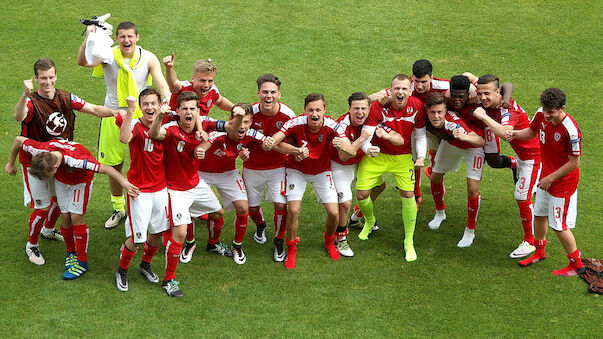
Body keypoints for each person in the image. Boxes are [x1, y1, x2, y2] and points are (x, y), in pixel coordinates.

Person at [14, 58, 125, 265]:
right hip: (35, 161)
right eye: (43, 78)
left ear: (55, 76)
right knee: (42, 207)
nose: (47, 82)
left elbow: (92, 109)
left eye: (51, 77)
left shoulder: (66, 97)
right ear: (36, 78)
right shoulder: (31, 101)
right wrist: (24, 95)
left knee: (59, 200)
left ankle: (48, 230)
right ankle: (32, 245)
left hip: (61, 160)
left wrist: (115, 112)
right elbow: (19, 117)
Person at [78, 21, 170, 229]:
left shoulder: (148, 57)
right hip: (113, 114)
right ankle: (119, 208)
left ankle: (151, 204)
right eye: (122, 36)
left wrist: (165, 102)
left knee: (148, 161)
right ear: (117, 38)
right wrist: (90, 37)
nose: (126, 40)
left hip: (142, 118)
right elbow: (84, 62)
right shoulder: (108, 54)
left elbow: (162, 86)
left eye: (130, 36)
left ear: (137, 37)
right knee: (113, 163)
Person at [6, 136, 139, 280]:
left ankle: (82, 262)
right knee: (65, 216)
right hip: (63, 181)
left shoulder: (77, 160)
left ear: (55, 167)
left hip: (81, 182)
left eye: (47, 176)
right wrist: (10, 162)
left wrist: (125, 184)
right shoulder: (42, 149)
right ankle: (71, 253)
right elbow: (19, 140)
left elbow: (106, 169)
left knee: (76, 217)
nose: (45, 180)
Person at [149, 91, 236, 297]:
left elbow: (230, 128)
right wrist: (160, 116)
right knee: (180, 232)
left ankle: (213, 245)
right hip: (175, 190)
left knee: (218, 213)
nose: (188, 112)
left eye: (192, 109)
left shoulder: (204, 124)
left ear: (198, 111)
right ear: (178, 111)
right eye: (185, 109)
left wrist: (238, 114)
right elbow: (154, 134)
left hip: (195, 185)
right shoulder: (170, 128)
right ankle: (169, 279)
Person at [263, 93, 356, 269]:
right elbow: (274, 143)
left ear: (324, 110)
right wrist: (295, 150)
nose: (314, 114)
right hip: (296, 170)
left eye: (318, 110)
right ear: (305, 110)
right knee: (293, 210)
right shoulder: (295, 123)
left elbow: (350, 151)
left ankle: (329, 241)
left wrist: (341, 145)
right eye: (311, 110)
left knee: (334, 213)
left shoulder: (332, 126)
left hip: (321, 171)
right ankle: (291, 249)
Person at [508, 88, 585, 277]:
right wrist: (516, 134)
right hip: (546, 177)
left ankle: (577, 265)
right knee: (540, 214)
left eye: (551, 111)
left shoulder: (571, 130)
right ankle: (539, 252)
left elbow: (574, 163)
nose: (547, 115)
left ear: (562, 109)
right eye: (545, 110)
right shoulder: (541, 115)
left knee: (558, 225)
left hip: (562, 183)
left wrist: (550, 179)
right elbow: (531, 131)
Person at [195, 103, 285, 264]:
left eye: (247, 122)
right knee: (197, 209)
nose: (243, 126)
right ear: (231, 120)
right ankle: (194, 243)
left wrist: (297, 151)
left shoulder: (251, 134)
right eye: (240, 121)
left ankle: (237, 246)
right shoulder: (218, 133)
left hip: (227, 174)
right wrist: (200, 151)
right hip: (202, 173)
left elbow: (270, 144)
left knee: (244, 208)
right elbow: (202, 147)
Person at [356, 74, 425, 262]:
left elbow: (419, 136)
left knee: (408, 195)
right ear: (390, 90)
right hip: (377, 155)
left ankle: (408, 241)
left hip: (402, 157)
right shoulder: (378, 106)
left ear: (409, 91)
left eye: (404, 89)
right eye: (396, 88)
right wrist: (367, 148)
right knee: (361, 194)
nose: (400, 92)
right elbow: (366, 134)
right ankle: (370, 221)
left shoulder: (417, 106)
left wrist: (420, 157)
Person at [473, 74, 541, 258]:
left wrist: (483, 116)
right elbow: (470, 76)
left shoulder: (507, 111)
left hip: (534, 158)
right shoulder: (496, 98)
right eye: (480, 94)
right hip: (523, 157)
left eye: (487, 93)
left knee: (521, 195)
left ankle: (530, 242)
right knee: (526, 193)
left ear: (497, 92)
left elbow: (506, 133)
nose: (482, 98)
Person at [330, 92, 402, 257]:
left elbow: (399, 138)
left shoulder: (372, 120)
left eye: (363, 108)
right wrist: (362, 140)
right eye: (356, 109)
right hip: (342, 164)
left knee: (380, 186)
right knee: (345, 202)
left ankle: (358, 215)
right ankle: (340, 238)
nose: (360, 113)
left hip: (361, 160)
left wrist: (387, 138)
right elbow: (344, 155)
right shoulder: (341, 125)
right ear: (349, 109)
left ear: (370, 108)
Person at [114, 90, 169, 292]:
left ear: (159, 104)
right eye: (145, 104)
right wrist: (129, 111)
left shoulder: (167, 123)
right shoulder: (135, 124)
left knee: (156, 233)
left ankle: (145, 265)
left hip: (161, 189)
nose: (150, 108)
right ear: (140, 106)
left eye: (153, 103)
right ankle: (122, 269)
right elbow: (124, 138)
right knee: (138, 238)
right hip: (140, 191)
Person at [243, 74, 296, 261]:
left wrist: (276, 146)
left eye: (273, 92)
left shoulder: (288, 115)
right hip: (252, 167)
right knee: (251, 207)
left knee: (281, 205)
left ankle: (279, 241)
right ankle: (261, 224)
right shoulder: (249, 113)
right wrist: (243, 151)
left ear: (279, 94)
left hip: (278, 166)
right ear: (258, 93)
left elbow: (293, 141)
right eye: (265, 91)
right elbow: (238, 137)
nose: (269, 95)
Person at [425, 92, 485, 247]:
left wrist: (465, 137)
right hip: (451, 144)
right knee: (435, 177)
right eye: (433, 112)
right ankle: (440, 212)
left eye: (440, 112)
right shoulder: (423, 117)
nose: (436, 116)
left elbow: (480, 140)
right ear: (427, 112)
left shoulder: (454, 124)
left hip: (473, 148)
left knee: (472, 188)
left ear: (446, 112)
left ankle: (470, 230)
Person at [163, 53, 234, 115]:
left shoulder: (212, 91)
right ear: (193, 78)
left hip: (197, 128)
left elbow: (220, 102)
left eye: (210, 81)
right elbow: (173, 82)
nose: (206, 85)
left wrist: (235, 109)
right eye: (202, 81)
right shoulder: (184, 88)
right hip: (173, 127)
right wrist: (169, 68)